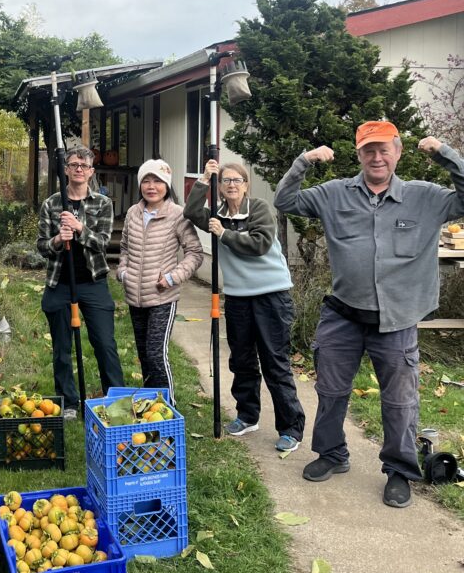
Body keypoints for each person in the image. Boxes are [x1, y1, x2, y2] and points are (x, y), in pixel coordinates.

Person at [274, 121, 464, 508]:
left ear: (398, 152)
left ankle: (399, 469)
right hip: (343, 314)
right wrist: (305, 161)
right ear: (359, 154)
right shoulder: (334, 194)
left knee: (399, 401)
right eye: (368, 150)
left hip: (397, 320)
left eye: (384, 149)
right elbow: (285, 201)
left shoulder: (426, 197)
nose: (376, 157)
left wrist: (446, 154)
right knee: (330, 391)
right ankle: (332, 453)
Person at [185, 159, 305, 452]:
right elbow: (190, 212)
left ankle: (291, 428)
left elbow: (260, 243)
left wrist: (224, 233)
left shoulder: (260, 209)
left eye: (236, 180)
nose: (231, 185)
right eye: (225, 181)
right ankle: (247, 415)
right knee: (242, 360)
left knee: (274, 362)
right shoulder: (218, 215)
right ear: (221, 188)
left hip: (271, 295)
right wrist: (204, 179)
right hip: (238, 297)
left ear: (245, 184)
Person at [37, 144, 125, 419]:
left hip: (93, 281)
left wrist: (79, 229)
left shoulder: (102, 203)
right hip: (60, 282)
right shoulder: (52, 203)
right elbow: (41, 245)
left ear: (91, 172)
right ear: (66, 169)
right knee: (62, 347)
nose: (78, 169)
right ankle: (69, 402)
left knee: (105, 343)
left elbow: (102, 243)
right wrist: (56, 240)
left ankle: (115, 399)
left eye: (84, 166)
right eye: (74, 164)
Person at [117, 159, 203, 402]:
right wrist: (123, 271)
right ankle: (150, 404)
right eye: (146, 180)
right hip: (135, 297)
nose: (151, 186)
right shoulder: (133, 213)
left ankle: (168, 406)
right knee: (144, 355)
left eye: (157, 181)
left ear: (166, 185)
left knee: (156, 354)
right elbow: (123, 247)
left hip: (162, 297)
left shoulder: (177, 215)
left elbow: (195, 253)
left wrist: (172, 277)